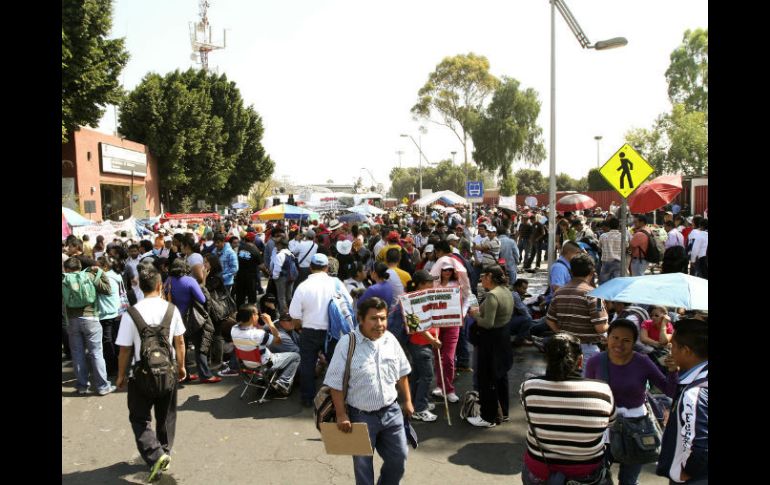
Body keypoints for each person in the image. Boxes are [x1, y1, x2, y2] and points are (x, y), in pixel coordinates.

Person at [324, 297, 413, 485]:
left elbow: (402, 373)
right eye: (373, 319)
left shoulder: (390, 339)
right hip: (360, 417)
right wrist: (341, 414)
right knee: (363, 468)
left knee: (399, 460)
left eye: (383, 318)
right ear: (360, 319)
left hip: (392, 412)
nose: (379, 324)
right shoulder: (347, 344)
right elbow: (335, 382)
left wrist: (407, 401)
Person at [115, 263, 187, 482]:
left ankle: (155, 455)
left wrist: (120, 376)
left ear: (141, 286)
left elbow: (125, 349)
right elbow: (180, 341)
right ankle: (164, 451)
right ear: (159, 285)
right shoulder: (171, 309)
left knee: (139, 417)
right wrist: (182, 366)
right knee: (166, 416)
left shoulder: (132, 313)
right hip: (169, 371)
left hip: (141, 374)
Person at [585, 319, 678, 485]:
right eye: (615, 338)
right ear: (608, 337)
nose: (619, 344)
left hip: (637, 428)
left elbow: (670, 390)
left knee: (629, 480)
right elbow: (587, 396)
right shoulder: (595, 362)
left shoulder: (643, 362)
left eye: (626, 340)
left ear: (634, 342)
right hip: (603, 429)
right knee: (598, 477)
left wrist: (672, 372)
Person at [520, 334, 615, 484]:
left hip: (540, 470)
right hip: (586, 473)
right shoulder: (602, 390)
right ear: (580, 360)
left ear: (547, 359)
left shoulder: (529, 387)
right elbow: (610, 423)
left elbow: (529, 413)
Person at [289, 253, 354, 407]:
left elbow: (294, 315)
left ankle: (307, 398)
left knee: (307, 365)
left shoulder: (303, 286)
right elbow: (349, 302)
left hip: (309, 331)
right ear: (326, 268)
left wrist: (300, 327)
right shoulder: (336, 283)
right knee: (335, 365)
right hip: (332, 333)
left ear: (311, 268)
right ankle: (336, 398)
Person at [656, 319, 708, 484]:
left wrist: (687, 471)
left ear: (686, 350)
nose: (670, 351)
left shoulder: (695, 392)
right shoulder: (696, 382)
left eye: (673, 346)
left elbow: (698, 444)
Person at [467, 265, 514, 428]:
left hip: (491, 342)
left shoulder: (493, 295)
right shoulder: (507, 291)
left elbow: (487, 323)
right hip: (503, 339)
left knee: (487, 379)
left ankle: (489, 416)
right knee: (501, 377)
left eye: (483, 277)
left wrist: (475, 314)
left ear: (490, 277)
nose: (481, 280)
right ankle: (504, 412)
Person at [545, 253, 609, 369]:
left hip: (565, 348)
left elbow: (550, 320)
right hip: (587, 350)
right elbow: (601, 327)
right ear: (592, 272)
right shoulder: (597, 295)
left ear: (571, 271)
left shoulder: (558, 293)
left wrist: (562, 333)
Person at [63, 257, 116, 395]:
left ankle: (82, 386)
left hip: (73, 321)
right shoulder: (89, 276)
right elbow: (107, 289)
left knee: (77, 354)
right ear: (79, 267)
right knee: (96, 353)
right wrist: (100, 272)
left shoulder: (64, 279)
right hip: (91, 318)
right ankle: (102, 387)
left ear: (66, 269)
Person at [164, 259, 219, 383]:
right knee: (200, 347)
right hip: (192, 320)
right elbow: (202, 299)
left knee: (180, 347)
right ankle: (205, 375)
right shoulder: (190, 281)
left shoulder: (168, 281)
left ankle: (184, 374)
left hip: (174, 319)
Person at [231, 305, 300, 395]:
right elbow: (278, 339)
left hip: (245, 364)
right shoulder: (258, 334)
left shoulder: (234, 329)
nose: (258, 316)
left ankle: (262, 379)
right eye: (257, 314)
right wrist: (270, 322)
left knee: (262, 348)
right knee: (296, 356)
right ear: (252, 316)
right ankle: (283, 383)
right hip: (266, 364)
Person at [96, 255, 127, 377]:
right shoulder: (117, 276)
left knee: (107, 342)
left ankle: (112, 368)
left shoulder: (104, 277)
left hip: (106, 314)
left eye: (98, 266)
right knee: (116, 340)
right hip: (118, 312)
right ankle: (121, 366)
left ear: (105, 266)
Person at [234, 232, 262, 307]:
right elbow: (261, 265)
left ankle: (239, 312)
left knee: (240, 297)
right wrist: (267, 273)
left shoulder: (240, 247)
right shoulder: (255, 250)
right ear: (253, 240)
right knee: (252, 298)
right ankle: (250, 314)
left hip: (240, 276)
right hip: (251, 278)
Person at [599, 218, 626, 284]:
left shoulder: (603, 236)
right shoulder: (622, 236)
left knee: (604, 284)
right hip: (618, 262)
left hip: (606, 262)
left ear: (609, 226)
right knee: (617, 283)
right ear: (618, 226)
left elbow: (599, 247)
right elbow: (626, 246)